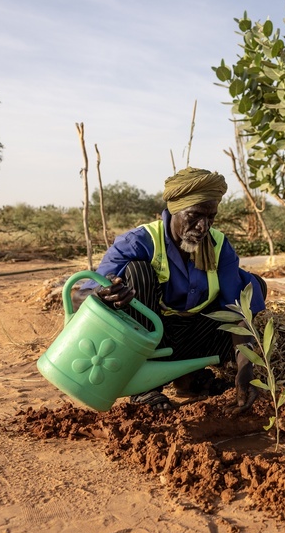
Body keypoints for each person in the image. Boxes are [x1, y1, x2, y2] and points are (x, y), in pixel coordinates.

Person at [74, 167, 267, 411]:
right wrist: (104, 294)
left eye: (211, 217)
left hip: (193, 337)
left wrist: (245, 370)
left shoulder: (219, 246)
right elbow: (82, 295)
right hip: (148, 338)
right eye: (195, 215)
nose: (202, 226)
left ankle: (189, 376)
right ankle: (144, 390)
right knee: (137, 272)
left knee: (251, 288)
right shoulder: (139, 241)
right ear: (175, 209)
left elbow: (237, 313)